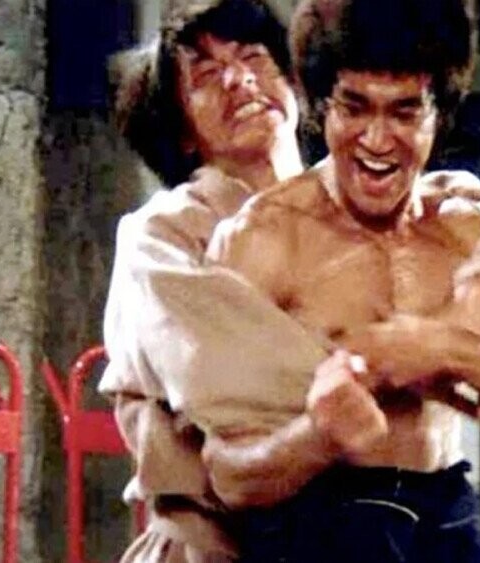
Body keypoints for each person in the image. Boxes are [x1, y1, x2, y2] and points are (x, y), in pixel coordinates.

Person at [192, 0, 480, 561]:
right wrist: (318, 436)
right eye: (355, 107)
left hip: (445, 513)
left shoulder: (470, 229)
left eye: (405, 112)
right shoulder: (262, 240)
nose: (377, 140)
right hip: (318, 527)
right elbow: (226, 476)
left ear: (439, 115)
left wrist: (448, 348)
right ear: (322, 108)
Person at [98, 1, 303, 560]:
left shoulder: (347, 214)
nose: (240, 80)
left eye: (254, 57)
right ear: (183, 131)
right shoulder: (160, 236)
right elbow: (241, 386)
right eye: (207, 75)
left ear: (294, 85)